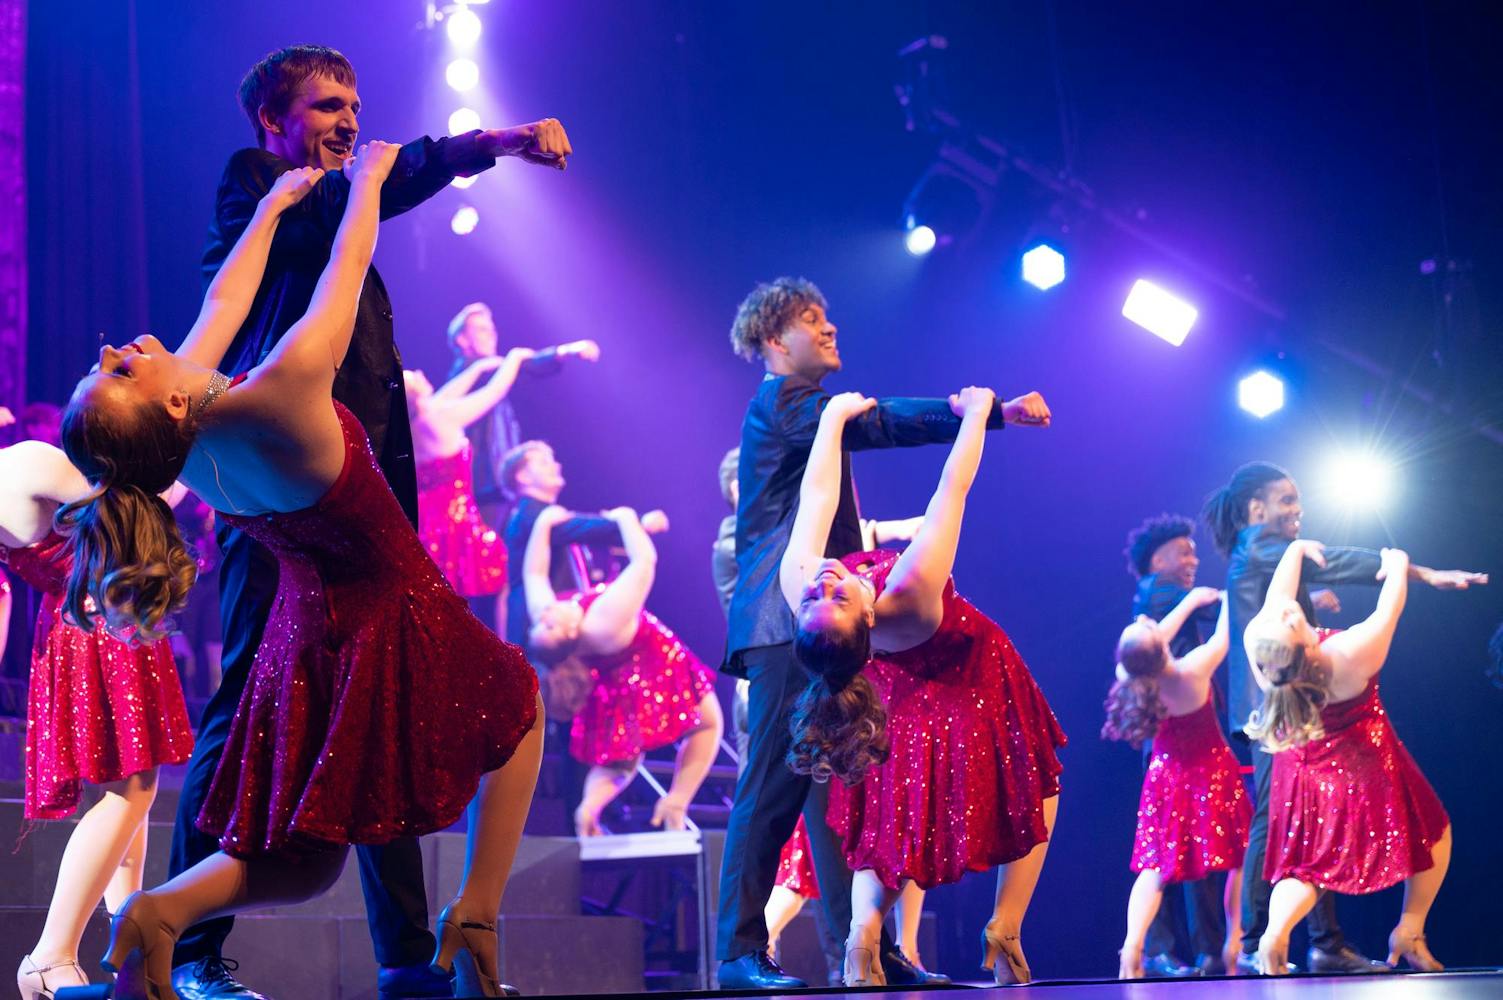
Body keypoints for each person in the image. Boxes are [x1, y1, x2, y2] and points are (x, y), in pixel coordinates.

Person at [60, 142, 544, 1000]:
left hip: (301, 638)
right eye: (118, 372)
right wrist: (367, 182)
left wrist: (270, 209)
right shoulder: (279, 391)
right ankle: (474, 912)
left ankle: (160, 912)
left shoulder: (182, 442)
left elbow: (224, 300)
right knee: (519, 702)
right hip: (389, 605)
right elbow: (343, 275)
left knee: (308, 860)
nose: (113, 350)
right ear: (165, 400)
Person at [168, 43, 569, 1000]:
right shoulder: (261, 188)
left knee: (380, 701)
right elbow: (335, 222)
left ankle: (405, 957)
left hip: (364, 501)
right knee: (240, 702)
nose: (348, 121)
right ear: (274, 121)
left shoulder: (341, 197)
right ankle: (186, 949)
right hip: (284, 508)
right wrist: (486, 143)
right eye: (325, 106)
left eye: (353, 104)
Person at [715, 277, 1047, 990]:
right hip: (790, 620)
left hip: (816, 616)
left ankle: (859, 949)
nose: (829, 327)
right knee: (772, 787)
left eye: (827, 314)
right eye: (811, 319)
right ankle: (738, 952)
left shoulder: (801, 409)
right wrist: (983, 412)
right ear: (774, 341)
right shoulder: (786, 401)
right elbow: (877, 423)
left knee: (837, 789)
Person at [780, 387, 1064, 987]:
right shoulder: (909, 586)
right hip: (973, 670)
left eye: (815, 596)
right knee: (1031, 781)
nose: (824, 580)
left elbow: (817, 496)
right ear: (867, 618)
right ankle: (1002, 927)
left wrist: (833, 420)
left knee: (901, 809)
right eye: (835, 597)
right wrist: (978, 412)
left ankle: (864, 938)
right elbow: (951, 491)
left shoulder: (802, 587)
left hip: (907, 681)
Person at [1203, 461, 1486, 976]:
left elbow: (1291, 587)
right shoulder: (1260, 546)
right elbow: (1337, 562)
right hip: (1289, 712)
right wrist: (1417, 571)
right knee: (1279, 825)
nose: (1297, 509)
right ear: (1256, 509)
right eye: (1287, 500)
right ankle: (1258, 941)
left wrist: (1307, 586)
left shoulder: (1265, 570)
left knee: (1307, 831)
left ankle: (1318, 942)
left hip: (1287, 703)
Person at [3, 441, 194, 1000]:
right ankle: (50, 956)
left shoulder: (25, 466)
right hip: (101, 626)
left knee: (128, 795)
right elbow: (141, 507)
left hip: (87, 624)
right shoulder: (26, 464)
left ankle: (125, 949)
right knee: (130, 792)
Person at [1243, 541, 1467, 975]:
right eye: (1291, 619)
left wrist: (1295, 551)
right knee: (1434, 830)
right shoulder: (1346, 654)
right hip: (1361, 761)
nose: (1290, 610)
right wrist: (1397, 564)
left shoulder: (1263, 643)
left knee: (1307, 865)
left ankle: (1275, 933)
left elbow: (1278, 599)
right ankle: (1410, 928)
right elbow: (1388, 611)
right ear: (1304, 645)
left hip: (1301, 767)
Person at [523, 504, 722, 836]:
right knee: (707, 723)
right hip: (650, 662)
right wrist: (626, 517)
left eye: (539, 623)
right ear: (570, 634)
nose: (544, 615)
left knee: (620, 758)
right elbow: (644, 562)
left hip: (610, 679)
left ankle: (588, 808)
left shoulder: (554, 619)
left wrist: (543, 525)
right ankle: (676, 800)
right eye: (548, 624)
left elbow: (534, 575)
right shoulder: (601, 620)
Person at [1102, 589, 1248, 979]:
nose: (1147, 620)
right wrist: (1232, 597)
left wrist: (1190, 602)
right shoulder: (1191, 670)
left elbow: (1149, 650)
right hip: (1209, 772)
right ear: (1159, 646)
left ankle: (1132, 946)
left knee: (1155, 866)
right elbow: (1223, 639)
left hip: (1165, 778)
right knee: (1239, 856)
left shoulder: (1132, 676)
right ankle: (1234, 940)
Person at [1122, 514, 1227, 977]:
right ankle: (1163, 950)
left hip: (1186, 738)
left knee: (1188, 845)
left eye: (1194, 552)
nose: (1193, 560)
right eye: (1183, 552)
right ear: (1157, 560)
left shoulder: (1165, 595)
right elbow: (1213, 609)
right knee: (1170, 847)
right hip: (1173, 744)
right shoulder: (1157, 591)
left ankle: (1200, 950)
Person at [407, 349, 534, 630]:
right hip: (456, 520)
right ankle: (496, 643)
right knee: (496, 571)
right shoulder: (440, 418)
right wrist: (515, 358)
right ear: (415, 396)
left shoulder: (415, 424)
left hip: (426, 523)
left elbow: (446, 395)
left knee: (447, 593)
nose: (419, 373)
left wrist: (476, 369)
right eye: (413, 377)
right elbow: (493, 392)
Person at [499, 441, 667, 651]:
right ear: (523, 476)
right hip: (542, 628)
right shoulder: (530, 514)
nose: (556, 466)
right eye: (544, 462)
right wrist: (636, 522)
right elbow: (581, 528)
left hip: (555, 622)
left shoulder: (544, 515)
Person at [444, 302, 599, 525]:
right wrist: (564, 351)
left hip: (493, 484)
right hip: (484, 484)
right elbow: (523, 365)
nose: (492, 335)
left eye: (492, 330)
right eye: (482, 330)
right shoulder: (469, 371)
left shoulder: (489, 370)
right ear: (462, 339)